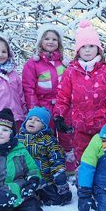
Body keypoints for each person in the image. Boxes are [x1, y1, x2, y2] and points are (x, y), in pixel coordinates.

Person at [53, 20, 106, 165]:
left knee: (104, 155)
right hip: (79, 125)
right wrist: (59, 115)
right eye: (83, 47)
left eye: (91, 46)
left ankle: (103, 183)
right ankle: (84, 184)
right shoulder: (71, 72)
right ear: (78, 50)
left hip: (103, 125)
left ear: (98, 48)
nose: (87, 50)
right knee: (83, 157)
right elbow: (63, 96)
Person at [22, 24, 76, 173]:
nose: (50, 42)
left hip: (64, 106)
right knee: (46, 138)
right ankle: (49, 170)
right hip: (43, 107)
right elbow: (29, 88)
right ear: (40, 41)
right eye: (47, 38)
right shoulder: (33, 64)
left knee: (67, 137)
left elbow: (72, 84)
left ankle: (70, 168)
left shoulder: (65, 63)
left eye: (54, 39)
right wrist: (35, 110)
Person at [17, 106, 72, 206]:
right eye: (30, 119)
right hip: (23, 179)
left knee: (59, 199)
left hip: (44, 179)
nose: (32, 122)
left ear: (44, 126)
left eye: (37, 120)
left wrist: (59, 176)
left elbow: (56, 159)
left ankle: (41, 195)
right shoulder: (17, 140)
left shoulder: (49, 141)